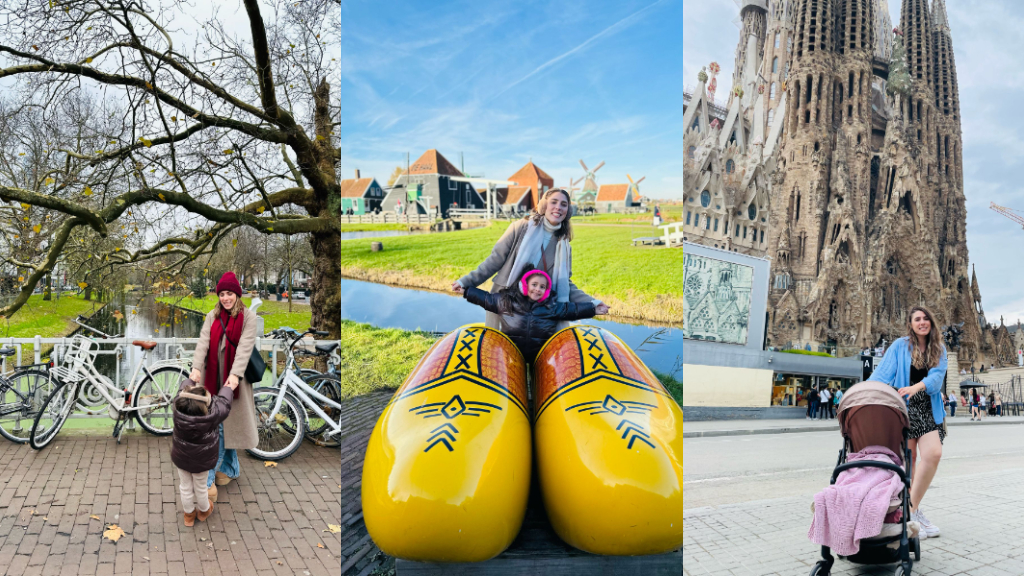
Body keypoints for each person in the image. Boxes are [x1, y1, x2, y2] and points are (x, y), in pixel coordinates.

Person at [453, 187, 607, 329]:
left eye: (563, 204)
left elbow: (564, 283)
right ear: (544, 205)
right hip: (504, 303)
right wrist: (465, 282)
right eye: (554, 202)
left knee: (536, 351)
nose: (558, 207)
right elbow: (494, 260)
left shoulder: (564, 246)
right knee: (498, 351)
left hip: (539, 311)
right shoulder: (520, 228)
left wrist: (592, 303)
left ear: (568, 211)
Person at [866, 305, 947, 539]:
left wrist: (916, 387)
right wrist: (866, 393)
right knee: (907, 466)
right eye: (917, 319)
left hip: (927, 408)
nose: (922, 322)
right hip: (904, 409)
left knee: (933, 454)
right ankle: (911, 514)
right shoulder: (900, 346)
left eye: (925, 319)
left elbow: (935, 379)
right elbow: (882, 374)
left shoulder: (939, 349)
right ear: (910, 324)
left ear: (931, 322)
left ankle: (910, 510)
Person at [189, 272, 259, 502]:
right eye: (222, 294)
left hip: (233, 381)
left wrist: (235, 375)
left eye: (229, 293)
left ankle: (207, 482)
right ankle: (230, 469)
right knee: (220, 425)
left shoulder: (248, 318)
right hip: (213, 378)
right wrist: (196, 367)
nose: (225, 298)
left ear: (237, 294)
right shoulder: (212, 315)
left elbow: (244, 349)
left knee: (219, 427)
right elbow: (203, 343)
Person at [463, 267, 606, 362]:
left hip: (540, 358)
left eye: (542, 287)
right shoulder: (507, 302)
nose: (538, 289)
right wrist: (466, 291)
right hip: (512, 356)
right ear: (524, 285)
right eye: (534, 285)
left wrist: (593, 309)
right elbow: (486, 298)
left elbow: (573, 310)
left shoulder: (552, 307)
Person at [172, 380, 237, 526]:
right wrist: (227, 387)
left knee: (185, 487)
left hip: (181, 459)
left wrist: (190, 379)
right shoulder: (211, 418)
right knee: (201, 488)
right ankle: (204, 510)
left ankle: (188, 515)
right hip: (202, 462)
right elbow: (223, 404)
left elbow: (180, 392)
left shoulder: (177, 411)